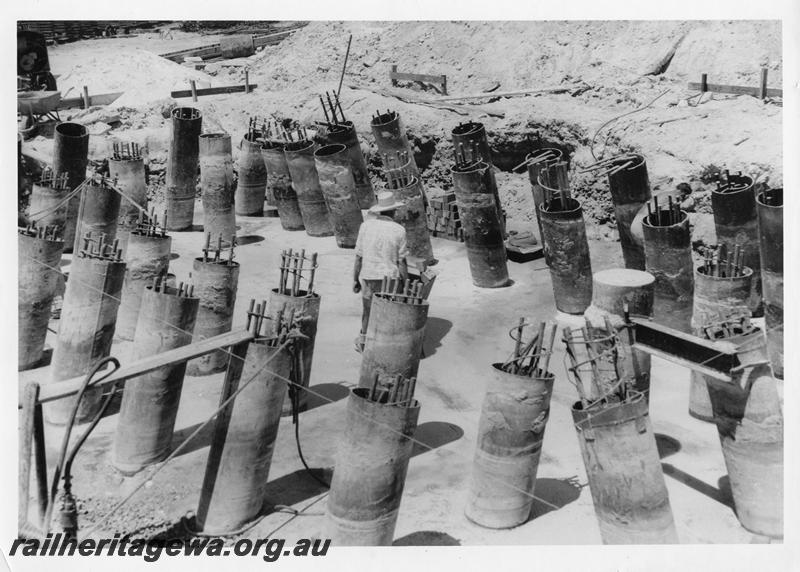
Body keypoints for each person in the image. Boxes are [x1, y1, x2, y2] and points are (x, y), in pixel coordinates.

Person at [353, 191, 409, 352]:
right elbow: (402, 262)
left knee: (368, 310)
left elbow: (358, 257)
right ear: (394, 211)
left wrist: (355, 279)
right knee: (389, 311)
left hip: (369, 275)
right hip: (389, 278)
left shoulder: (365, 226)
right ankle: (386, 345)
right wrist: (405, 284)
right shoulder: (399, 230)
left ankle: (363, 342)